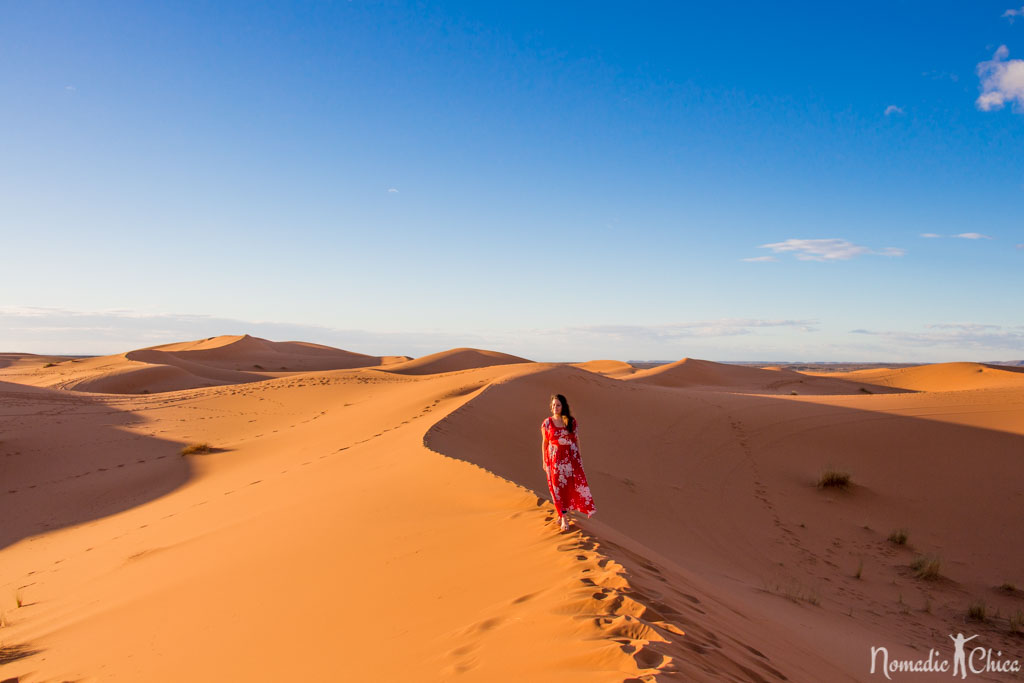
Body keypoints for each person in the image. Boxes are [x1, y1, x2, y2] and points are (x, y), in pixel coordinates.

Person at [541, 393, 596, 532]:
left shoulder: (571, 421)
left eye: (558, 405)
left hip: (569, 459)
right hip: (554, 460)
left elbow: (576, 440)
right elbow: (545, 443)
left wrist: (579, 457)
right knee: (556, 488)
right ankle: (564, 518)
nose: (555, 407)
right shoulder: (547, 423)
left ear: (563, 406)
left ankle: (563, 515)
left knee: (568, 488)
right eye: (553, 405)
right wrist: (544, 460)